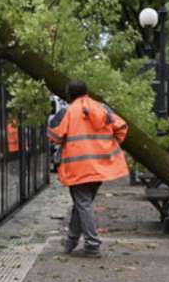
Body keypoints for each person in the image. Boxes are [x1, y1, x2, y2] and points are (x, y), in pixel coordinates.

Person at [47, 80, 129, 258]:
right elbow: (121, 128)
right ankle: (71, 242)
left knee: (82, 204)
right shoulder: (102, 108)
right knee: (82, 204)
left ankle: (92, 245)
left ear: (70, 94)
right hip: (101, 166)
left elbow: (54, 136)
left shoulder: (67, 111)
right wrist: (107, 146)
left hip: (78, 166)